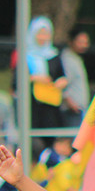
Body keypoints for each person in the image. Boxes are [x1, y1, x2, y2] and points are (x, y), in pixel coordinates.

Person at [26, 16, 67, 154]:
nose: (42, 37)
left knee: (51, 138)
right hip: (32, 105)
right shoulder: (26, 56)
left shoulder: (54, 55)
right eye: (40, 33)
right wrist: (35, 78)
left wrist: (61, 82)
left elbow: (61, 76)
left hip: (50, 105)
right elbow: (16, 81)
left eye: (46, 34)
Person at [60, 30, 91, 129]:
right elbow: (63, 83)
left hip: (79, 109)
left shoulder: (76, 58)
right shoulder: (67, 59)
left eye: (86, 42)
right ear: (71, 42)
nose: (84, 45)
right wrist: (70, 103)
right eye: (80, 42)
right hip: (72, 110)